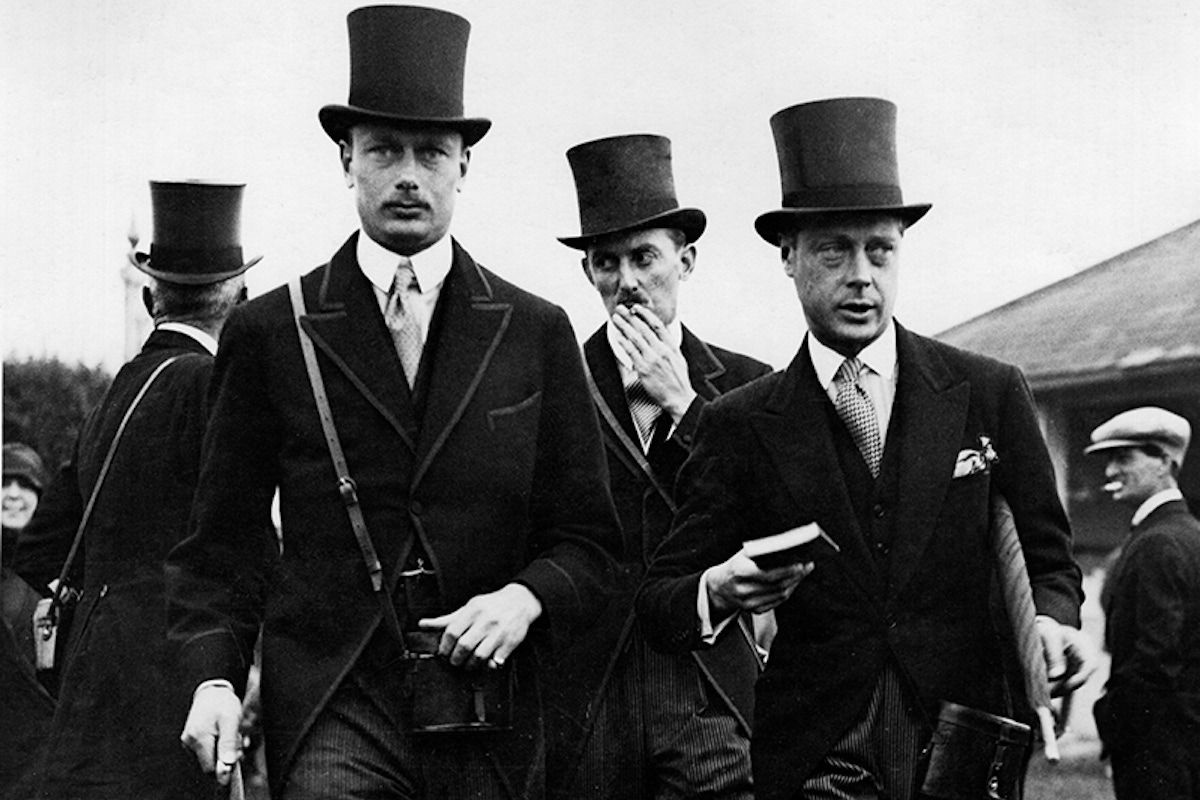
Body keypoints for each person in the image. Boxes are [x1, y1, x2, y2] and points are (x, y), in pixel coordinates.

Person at [165, 7, 619, 799]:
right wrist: (213, 680)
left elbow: (592, 544)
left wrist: (524, 598)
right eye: (384, 150)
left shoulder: (535, 331)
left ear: (464, 166)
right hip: (336, 702)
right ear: (347, 159)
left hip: (491, 711)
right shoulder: (274, 329)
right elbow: (221, 545)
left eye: (431, 152)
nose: (408, 174)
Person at [636, 97, 1095, 800]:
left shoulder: (987, 391)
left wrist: (1055, 623)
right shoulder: (740, 422)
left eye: (879, 250)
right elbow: (662, 597)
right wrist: (716, 591)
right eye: (834, 250)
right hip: (818, 750)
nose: (861, 275)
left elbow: (1049, 556)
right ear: (788, 258)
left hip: (965, 740)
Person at [10, 180, 258, 800]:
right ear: (243, 300)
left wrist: (97, 594)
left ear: (151, 299)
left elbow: (40, 545)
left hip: (89, 681)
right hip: (181, 682)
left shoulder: (116, 394)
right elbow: (241, 541)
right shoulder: (214, 387)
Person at [545, 134, 772, 800]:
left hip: (706, 686)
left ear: (686, 260)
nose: (628, 282)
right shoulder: (554, 382)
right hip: (591, 692)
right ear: (589, 273)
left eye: (645, 257)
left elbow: (770, 516)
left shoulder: (748, 385)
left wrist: (686, 406)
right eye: (606, 262)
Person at [1087, 407, 1200, 800]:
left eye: (1124, 458)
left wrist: (1112, 720)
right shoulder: (1186, 534)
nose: (1110, 472)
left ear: (1165, 463)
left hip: (1158, 751)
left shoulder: (1158, 543)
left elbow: (1155, 658)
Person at [1, 443, 54, 798]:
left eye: (26, 485)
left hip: (40, 757)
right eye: (4, 483)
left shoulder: (60, 573)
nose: (14, 494)